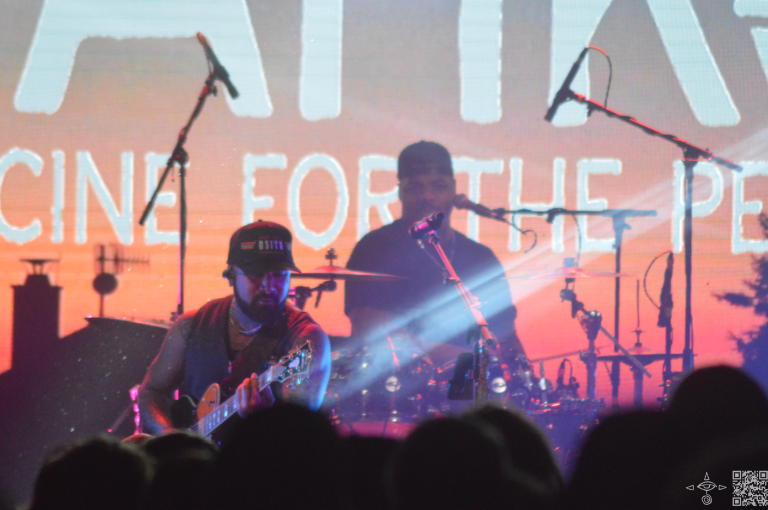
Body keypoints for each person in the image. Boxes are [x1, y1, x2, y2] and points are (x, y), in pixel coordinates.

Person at [139, 221, 331, 437]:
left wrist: (262, 419)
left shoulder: (305, 341)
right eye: (256, 273)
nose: (269, 286)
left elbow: (299, 434)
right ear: (230, 275)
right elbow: (151, 392)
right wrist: (168, 434)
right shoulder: (192, 325)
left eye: (279, 274)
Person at [345, 141, 524, 360]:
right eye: (415, 187)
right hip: (403, 380)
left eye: (438, 186)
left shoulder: (481, 258)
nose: (427, 196)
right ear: (400, 192)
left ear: (454, 190)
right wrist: (465, 360)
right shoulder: (375, 248)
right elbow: (371, 332)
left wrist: (523, 373)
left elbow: (507, 336)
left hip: (476, 378)